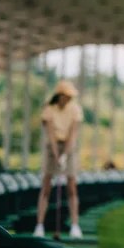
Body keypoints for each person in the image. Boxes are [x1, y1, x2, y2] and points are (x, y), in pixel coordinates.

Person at [33, 80, 84, 239]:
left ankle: (75, 226)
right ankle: (39, 226)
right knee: (46, 186)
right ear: (60, 96)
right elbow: (51, 136)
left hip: (70, 148)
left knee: (71, 186)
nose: (69, 99)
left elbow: (73, 135)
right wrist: (57, 156)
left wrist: (65, 155)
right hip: (52, 148)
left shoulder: (75, 109)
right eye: (67, 96)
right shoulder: (49, 110)